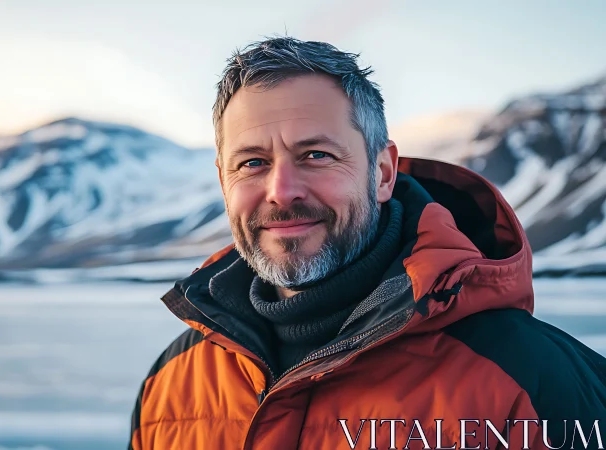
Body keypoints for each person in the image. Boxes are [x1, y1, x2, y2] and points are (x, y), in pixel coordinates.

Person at [128, 37, 606, 450]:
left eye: (316, 154)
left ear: (382, 173)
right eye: (252, 162)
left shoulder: (530, 380)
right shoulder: (171, 382)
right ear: (223, 181)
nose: (281, 191)